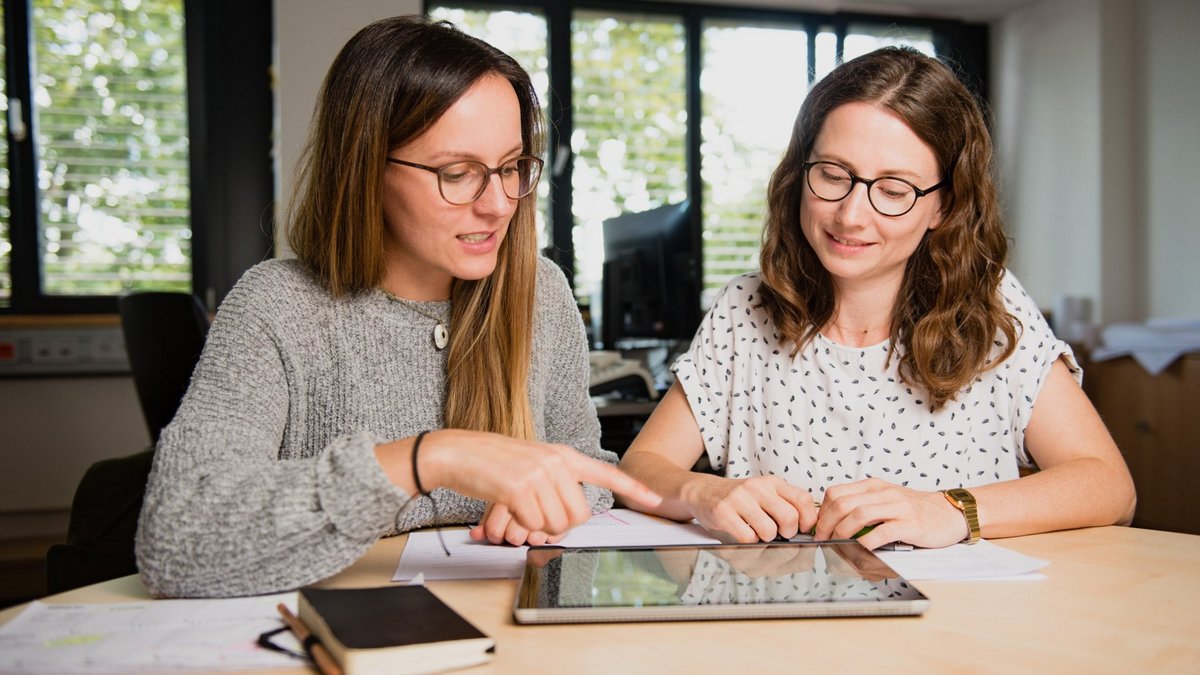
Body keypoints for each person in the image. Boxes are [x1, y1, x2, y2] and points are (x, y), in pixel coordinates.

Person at [136, 16, 659, 598]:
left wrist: (553, 502)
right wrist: (423, 459)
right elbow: (174, 541)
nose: (499, 204)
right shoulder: (275, 307)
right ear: (366, 168)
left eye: (512, 168)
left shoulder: (541, 293)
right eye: (459, 174)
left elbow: (588, 467)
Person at [619, 47, 1134, 551]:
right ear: (801, 172)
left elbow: (1109, 486)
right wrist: (702, 489)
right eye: (833, 175)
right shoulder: (745, 308)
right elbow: (640, 467)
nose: (850, 216)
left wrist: (949, 510)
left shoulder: (991, 307)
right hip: (786, 627)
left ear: (943, 206)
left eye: (893, 189)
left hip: (960, 624)